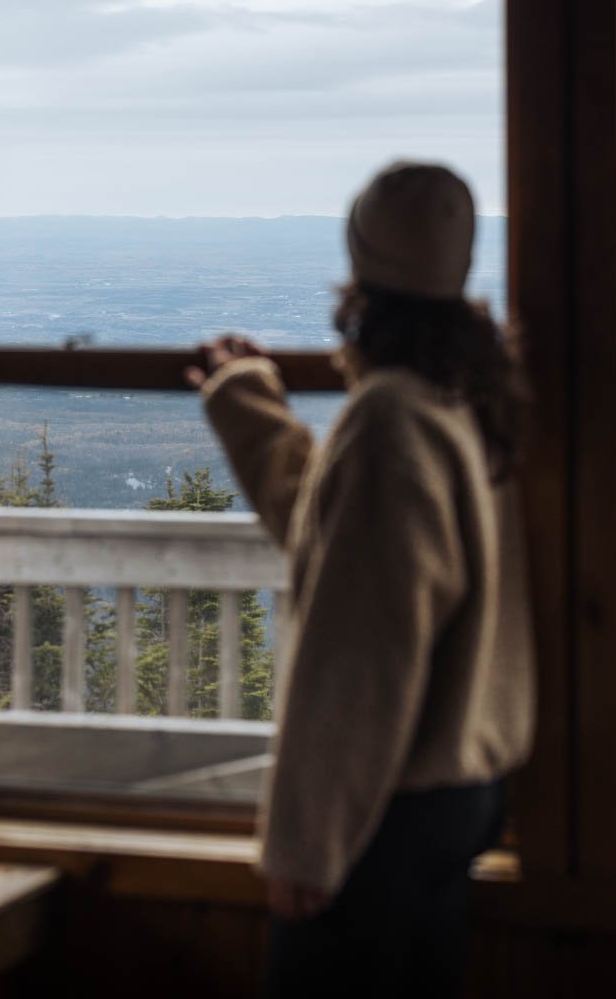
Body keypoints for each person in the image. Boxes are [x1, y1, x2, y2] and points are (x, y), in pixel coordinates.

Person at [187, 161, 536, 997]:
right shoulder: (468, 399)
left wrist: (306, 843)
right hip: (463, 790)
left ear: (360, 268)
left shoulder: (389, 420)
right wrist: (249, 406)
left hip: (385, 807)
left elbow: (360, 654)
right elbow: (336, 529)